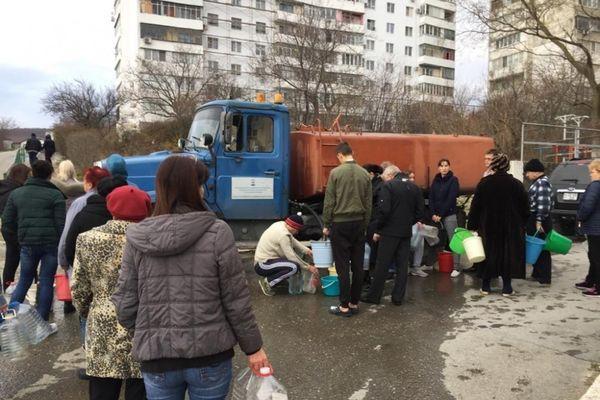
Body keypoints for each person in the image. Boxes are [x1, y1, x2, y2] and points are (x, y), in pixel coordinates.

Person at [112, 156, 269, 400]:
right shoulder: (218, 232)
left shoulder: (137, 238)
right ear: (193, 188)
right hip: (210, 357)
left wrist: (150, 332)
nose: (203, 189)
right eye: (200, 183)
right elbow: (236, 301)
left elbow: (125, 304)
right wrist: (254, 348)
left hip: (158, 360)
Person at [72, 185, 151, 400]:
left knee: (102, 391)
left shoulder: (87, 239)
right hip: (142, 324)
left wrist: (89, 311)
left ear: (111, 208)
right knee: (140, 388)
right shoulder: (152, 240)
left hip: (102, 323)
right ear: (145, 209)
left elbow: (78, 287)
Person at [2, 160, 65, 320]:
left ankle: (10, 318)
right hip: (50, 245)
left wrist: (20, 238)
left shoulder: (17, 194)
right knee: (46, 280)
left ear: (32, 174)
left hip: (27, 244)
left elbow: (7, 220)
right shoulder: (56, 195)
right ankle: (42, 321)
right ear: (50, 175)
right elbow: (61, 224)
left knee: (24, 279)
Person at [362, 165, 425, 306]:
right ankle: (398, 298)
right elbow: (420, 212)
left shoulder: (389, 186)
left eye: (384, 177)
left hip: (389, 232)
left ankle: (373, 296)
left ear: (390, 175)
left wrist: (378, 229)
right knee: (402, 266)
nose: (383, 180)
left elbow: (384, 210)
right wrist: (408, 222)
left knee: (382, 264)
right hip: (405, 232)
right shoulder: (414, 188)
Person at [467, 154, 529, 296]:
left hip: (488, 226)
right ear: (507, 167)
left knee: (488, 254)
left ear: (493, 166)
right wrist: (522, 224)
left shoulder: (484, 183)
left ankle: (485, 286)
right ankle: (507, 287)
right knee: (507, 255)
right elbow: (525, 208)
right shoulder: (517, 184)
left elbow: (475, 207)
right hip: (510, 227)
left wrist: (472, 225)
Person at [322, 142, 372, 317]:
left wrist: (326, 224)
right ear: (352, 153)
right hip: (358, 223)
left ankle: (344, 306)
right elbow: (368, 204)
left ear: (340, 156)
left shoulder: (335, 173)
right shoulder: (365, 174)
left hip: (340, 223)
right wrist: (364, 225)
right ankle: (354, 303)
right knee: (358, 265)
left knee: (342, 266)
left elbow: (329, 202)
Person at [57, 166, 110, 315]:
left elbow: (67, 234)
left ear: (90, 183)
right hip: (109, 264)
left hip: (82, 262)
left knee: (86, 310)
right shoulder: (113, 198)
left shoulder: (80, 203)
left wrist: (63, 261)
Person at [254, 215, 318, 296]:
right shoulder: (283, 235)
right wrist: (308, 267)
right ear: (293, 227)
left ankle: (277, 280)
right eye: (297, 230)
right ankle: (267, 283)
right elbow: (291, 256)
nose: (297, 232)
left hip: (266, 262)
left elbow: (292, 239)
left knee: (292, 264)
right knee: (293, 267)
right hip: (262, 265)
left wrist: (306, 250)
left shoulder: (281, 224)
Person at [0, 164, 31, 291]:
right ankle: (31, 288)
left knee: (11, 260)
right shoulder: (18, 192)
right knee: (29, 260)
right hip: (21, 229)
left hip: (7, 230)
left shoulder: (3, 189)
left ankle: (7, 286)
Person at [429, 158, 461, 277]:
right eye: (441, 166)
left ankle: (457, 267)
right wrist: (433, 213)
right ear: (438, 168)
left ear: (449, 167)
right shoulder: (436, 180)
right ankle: (429, 263)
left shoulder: (453, 180)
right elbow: (431, 197)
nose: (444, 168)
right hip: (435, 216)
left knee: (454, 240)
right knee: (432, 238)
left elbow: (451, 199)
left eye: (446, 165)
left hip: (449, 215)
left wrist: (440, 215)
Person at [524, 159, 553, 285]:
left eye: (528, 172)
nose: (527, 175)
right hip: (536, 218)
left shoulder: (541, 183)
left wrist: (539, 221)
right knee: (536, 247)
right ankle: (537, 273)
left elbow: (543, 204)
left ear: (535, 172)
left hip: (539, 219)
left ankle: (544, 277)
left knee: (541, 248)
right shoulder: (539, 182)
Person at [575, 159, 600, 296]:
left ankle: (597, 286)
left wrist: (580, 216)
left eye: (592, 172)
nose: (591, 175)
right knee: (593, 255)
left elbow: (588, 205)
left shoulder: (595, 186)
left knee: (596, 257)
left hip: (595, 227)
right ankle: (591, 280)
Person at [362, 164, 384, 284]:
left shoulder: (378, 187)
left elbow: (380, 208)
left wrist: (377, 229)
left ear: (371, 174)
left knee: (374, 251)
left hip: (374, 222)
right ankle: (369, 275)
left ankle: (372, 277)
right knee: (371, 250)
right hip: (372, 221)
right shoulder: (373, 185)